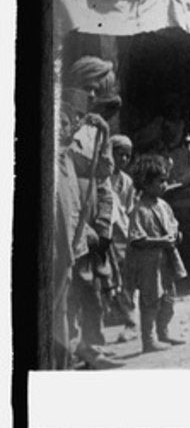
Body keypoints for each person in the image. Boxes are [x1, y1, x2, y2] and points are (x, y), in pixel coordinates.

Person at [63, 57, 123, 369]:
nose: (92, 96)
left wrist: (103, 225)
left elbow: (103, 180)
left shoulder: (97, 128)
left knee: (95, 284)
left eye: (97, 91)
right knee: (74, 283)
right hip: (71, 212)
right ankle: (71, 347)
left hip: (92, 212)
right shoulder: (63, 123)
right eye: (88, 88)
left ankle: (93, 344)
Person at [128, 154, 187, 353]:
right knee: (150, 300)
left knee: (169, 298)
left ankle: (164, 332)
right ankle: (149, 340)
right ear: (145, 183)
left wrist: (176, 235)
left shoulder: (164, 206)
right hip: (149, 264)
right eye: (160, 181)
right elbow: (136, 239)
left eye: (165, 180)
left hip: (166, 260)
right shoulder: (139, 210)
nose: (164, 185)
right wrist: (160, 241)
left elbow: (173, 225)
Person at [106, 134, 137, 339]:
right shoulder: (101, 177)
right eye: (120, 154)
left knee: (125, 277)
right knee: (107, 277)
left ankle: (131, 322)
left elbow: (130, 208)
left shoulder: (127, 181)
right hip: (105, 233)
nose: (124, 159)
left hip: (122, 234)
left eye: (127, 155)